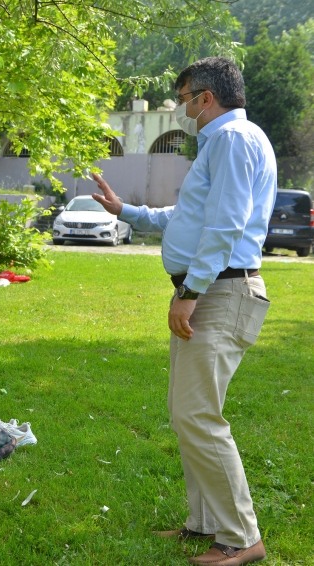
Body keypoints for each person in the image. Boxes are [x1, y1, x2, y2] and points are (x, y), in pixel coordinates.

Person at [91, 57, 274, 566]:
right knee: (186, 412)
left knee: (197, 414)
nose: (182, 107)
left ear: (206, 98)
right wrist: (126, 212)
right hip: (211, 289)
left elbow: (226, 226)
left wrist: (190, 291)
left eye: (185, 96)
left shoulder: (234, 140)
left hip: (220, 291)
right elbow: (190, 217)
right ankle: (206, 524)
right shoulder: (221, 143)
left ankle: (241, 539)